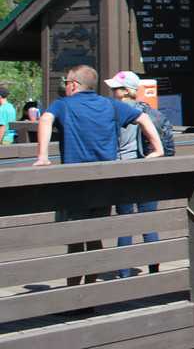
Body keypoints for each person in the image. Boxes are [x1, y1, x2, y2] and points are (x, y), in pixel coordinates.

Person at [34, 65, 164, 285]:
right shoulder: (111, 105)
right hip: (104, 182)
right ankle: (92, 291)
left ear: (73, 85)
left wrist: (43, 155)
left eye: (66, 82)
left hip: (75, 182)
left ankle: (75, 294)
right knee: (95, 235)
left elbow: (45, 119)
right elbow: (143, 117)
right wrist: (157, 149)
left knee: (76, 239)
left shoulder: (63, 105)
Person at [105, 72, 162, 278]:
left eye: (116, 89)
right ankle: (154, 270)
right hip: (147, 168)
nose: (112, 93)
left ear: (127, 91)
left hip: (124, 168)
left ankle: (125, 272)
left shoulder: (116, 112)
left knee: (125, 221)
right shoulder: (148, 110)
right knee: (148, 221)